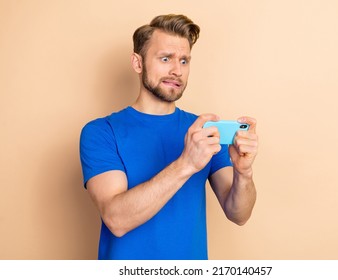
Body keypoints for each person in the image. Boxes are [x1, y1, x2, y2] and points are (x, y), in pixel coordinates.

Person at [79, 14, 258, 260]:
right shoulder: (101, 132)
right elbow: (116, 219)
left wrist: (244, 173)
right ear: (137, 63)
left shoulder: (202, 130)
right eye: (166, 59)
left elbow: (239, 214)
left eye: (184, 61)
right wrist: (187, 163)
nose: (177, 71)